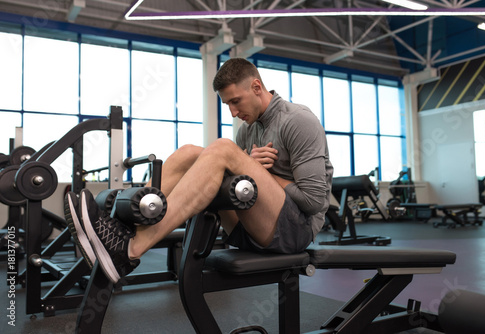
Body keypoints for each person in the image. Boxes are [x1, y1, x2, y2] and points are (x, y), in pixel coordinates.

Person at [64, 58, 333, 284]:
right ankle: (122, 228)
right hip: (246, 229)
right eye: (227, 104)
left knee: (224, 149)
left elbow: (314, 202)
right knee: (190, 153)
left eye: (236, 101)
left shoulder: (297, 120)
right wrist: (249, 165)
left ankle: (130, 251)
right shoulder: (248, 130)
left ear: (256, 86)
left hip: (295, 232)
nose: (233, 112)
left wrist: (258, 170)